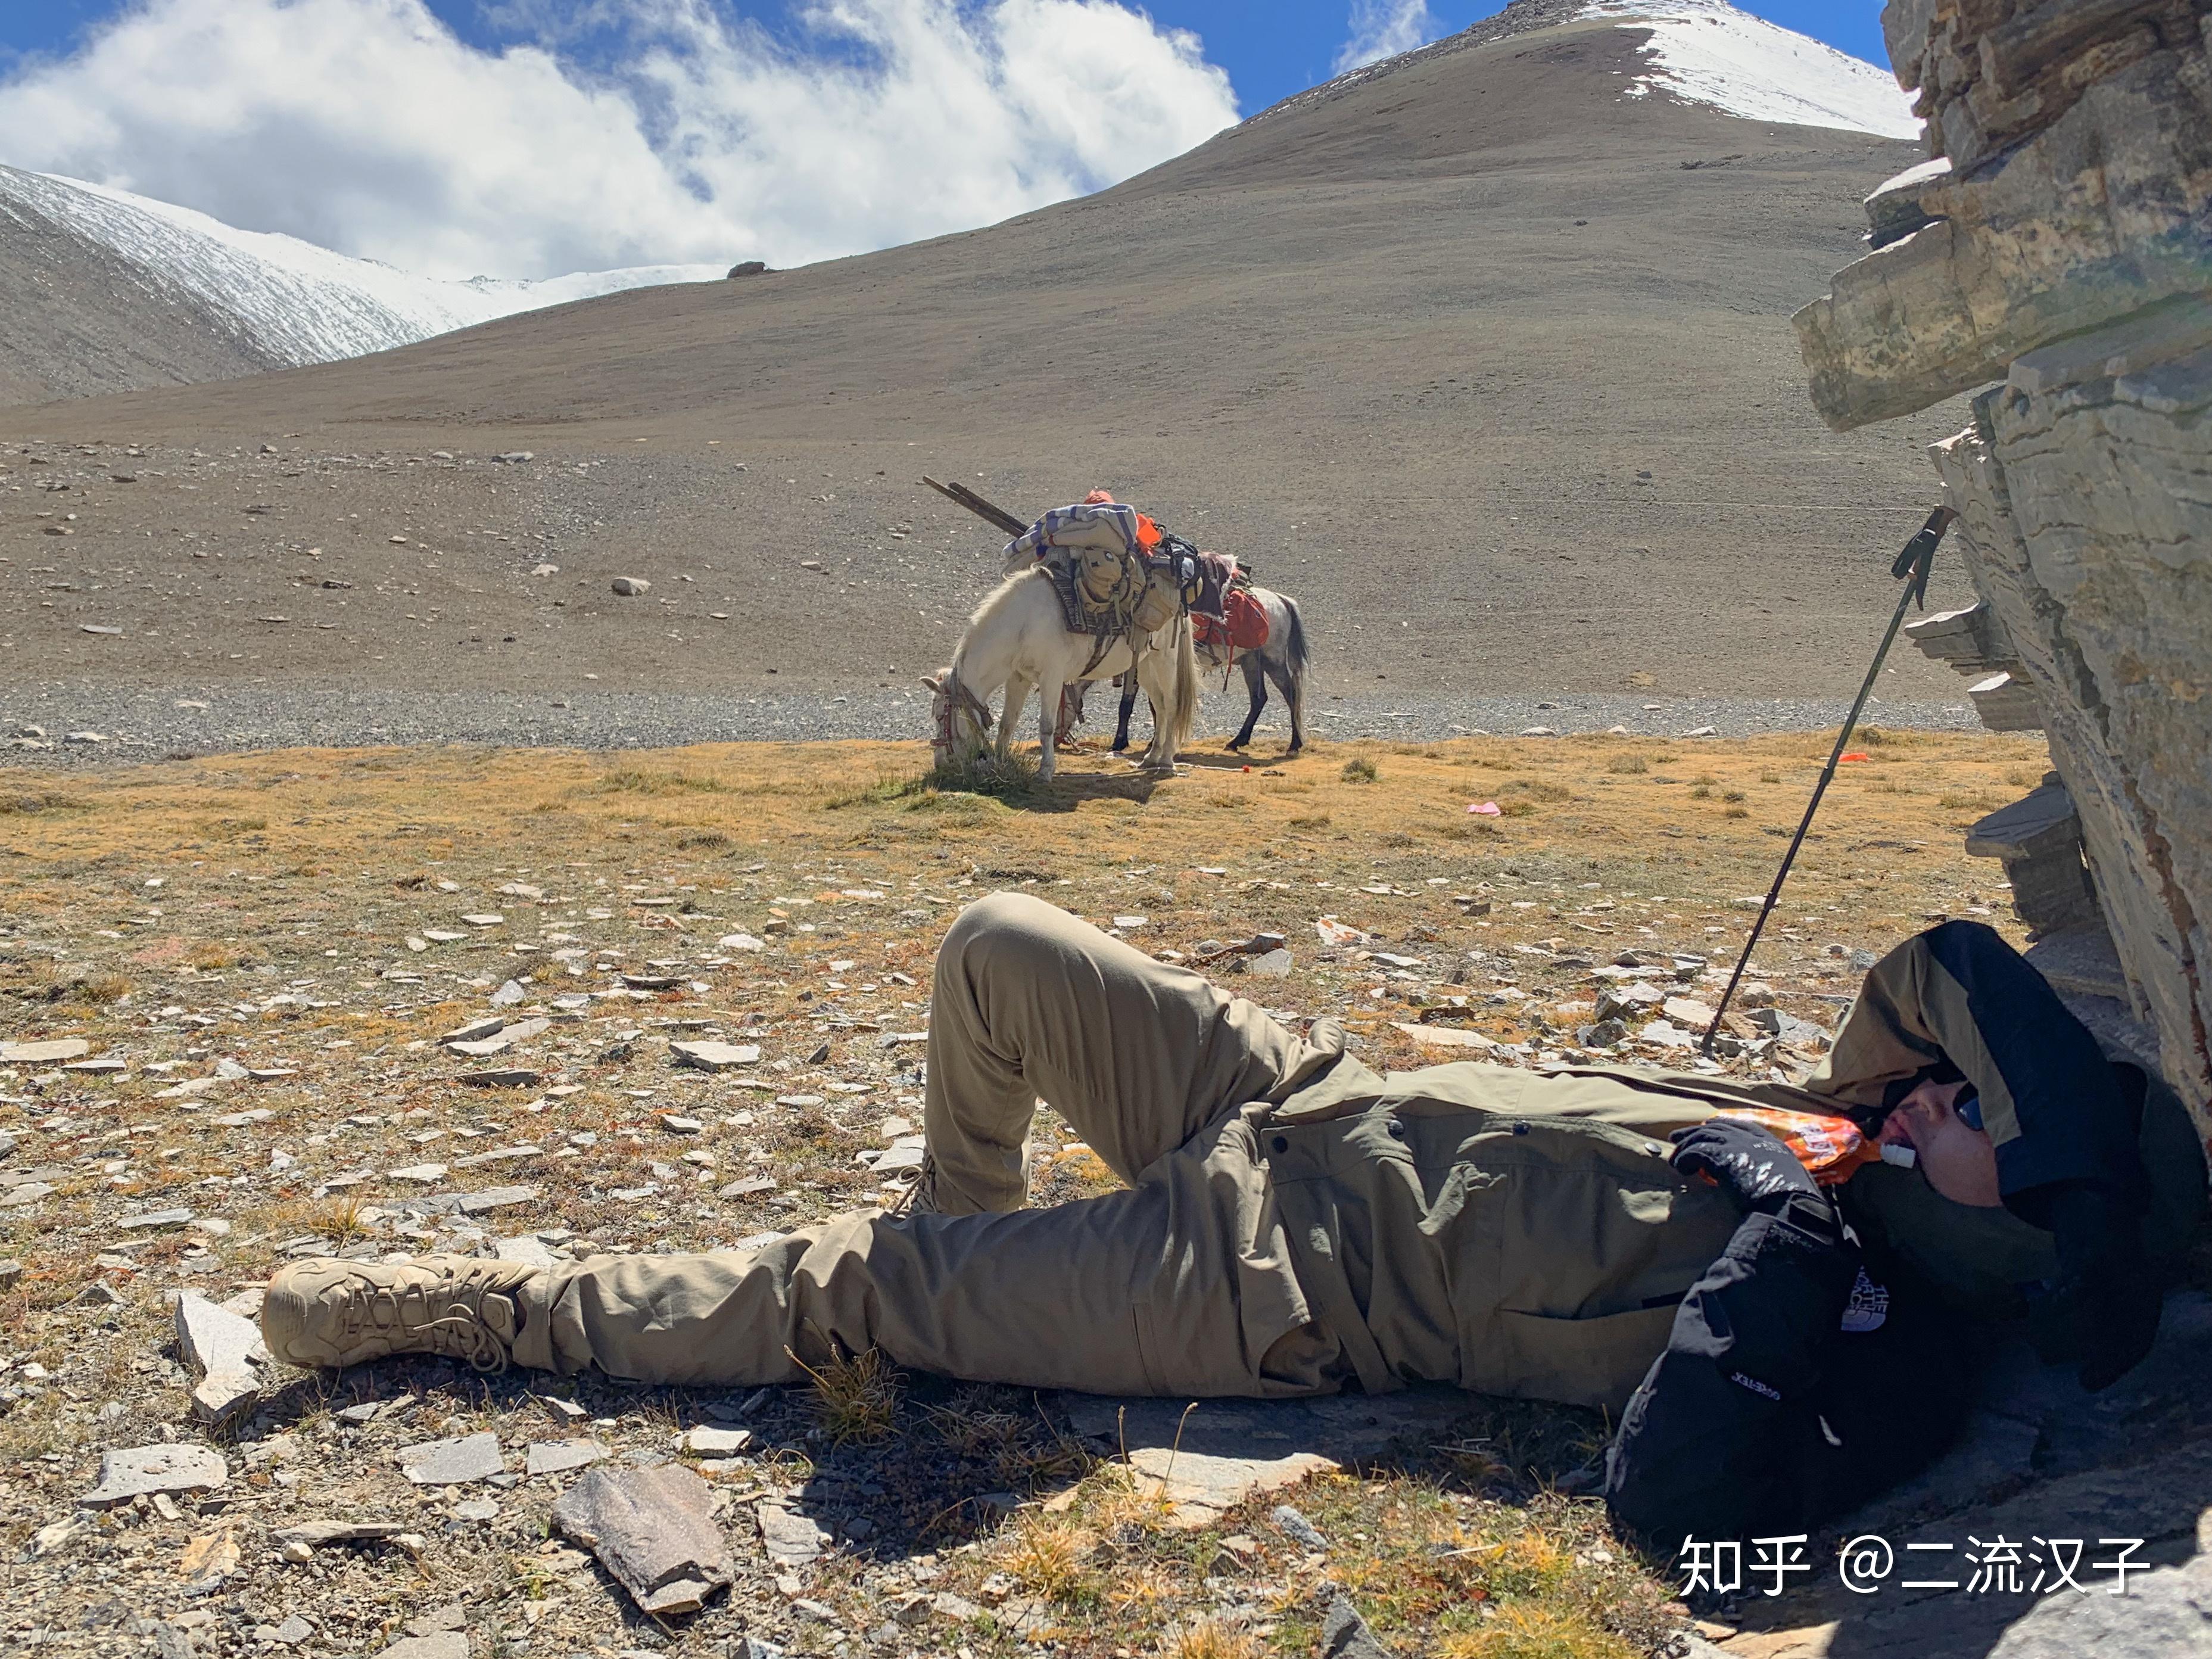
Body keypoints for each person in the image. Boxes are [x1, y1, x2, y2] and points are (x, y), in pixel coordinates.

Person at [261, 895, 2204, 1543]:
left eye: (1975, 1127)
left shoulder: (1894, 1339)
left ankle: (480, 1310)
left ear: (2018, 1255)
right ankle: (968, 1270)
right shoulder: (1891, 1137)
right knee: (997, 943)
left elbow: (1688, 1519)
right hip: (1294, 1087)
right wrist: (2050, 1160)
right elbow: (1944, 957)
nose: (1932, 1093)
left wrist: (1788, 1244)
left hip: (1260, 1284)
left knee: (838, 1279)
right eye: (1971, 1096)